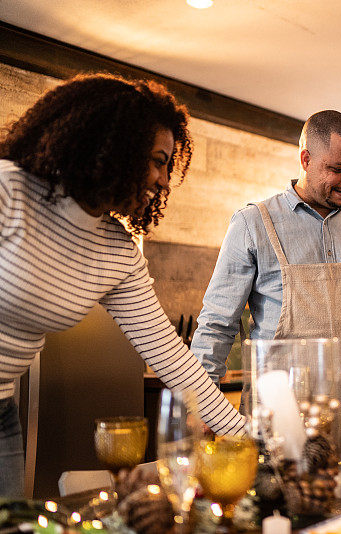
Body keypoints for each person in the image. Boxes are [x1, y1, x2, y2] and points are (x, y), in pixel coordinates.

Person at [0, 74, 245, 497]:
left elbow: (172, 359)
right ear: (112, 149)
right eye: (157, 159)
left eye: (169, 164)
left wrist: (250, 441)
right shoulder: (8, 191)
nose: (165, 180)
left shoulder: (116, 250)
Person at [190, 110, 341, 449]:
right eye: (338, 169)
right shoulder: (254, 224)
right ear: (306, 159)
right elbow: (217, 323)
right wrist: (203, 403)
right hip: (279, 422)